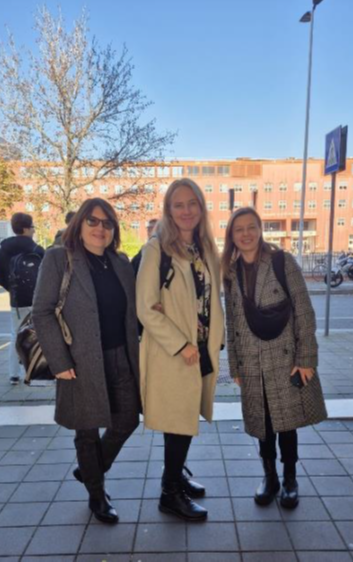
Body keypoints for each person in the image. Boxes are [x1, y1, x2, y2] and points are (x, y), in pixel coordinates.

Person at [32, 198, 141, 524]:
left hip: (121, 356)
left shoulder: (120, 263)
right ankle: (97, 494)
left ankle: (91, 468)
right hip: (78, 361)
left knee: (127, 421)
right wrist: (59, 360)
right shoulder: (58, 259)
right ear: (79, 224)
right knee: (87, 431)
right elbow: (41, 312)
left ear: (113, 230)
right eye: (92, 221)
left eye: (107, 223)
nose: (99, 228)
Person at [222, 207, 327, 509]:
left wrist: (306, 358)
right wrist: (235, 365)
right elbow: (232, 322)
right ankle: (270, 477)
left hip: (284, 357)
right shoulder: (230, 272)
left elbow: (304, 310)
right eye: (239, 229)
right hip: (251, 360)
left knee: (286, 422)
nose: (246, 233)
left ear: (259, 229)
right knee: (262, 421)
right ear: (232, 235)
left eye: (251, 227)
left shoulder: (282, 262)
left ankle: (290, 478)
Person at [137, 178, 224, 521]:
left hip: (199, 348)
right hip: (174, 352)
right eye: (178, 205)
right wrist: (181, 344)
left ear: (201, 208)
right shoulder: (156, 250)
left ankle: (174, 478)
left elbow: (209, 299)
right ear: (168, 211)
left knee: (184, 419)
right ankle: (169, 493)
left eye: (192, 203)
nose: (186, 211)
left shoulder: (204, 249)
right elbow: (145, 307)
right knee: (179, 421)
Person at [0, 212, 45, 385]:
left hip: (17, 302)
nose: (33, 231)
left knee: (16, 335)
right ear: (25, 228)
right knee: (44, 335)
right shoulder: (37, 251)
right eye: (32, 227)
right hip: (39, 299)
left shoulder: (2, 251)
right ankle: (40, 370)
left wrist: (12, 289)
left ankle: (14, 375)